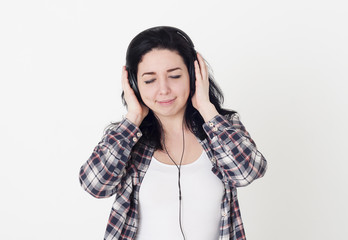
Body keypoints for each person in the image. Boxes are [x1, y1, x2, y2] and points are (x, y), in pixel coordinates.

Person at [79, 26, 267, 240]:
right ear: (134, 84)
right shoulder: (125, 139)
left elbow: (248, 173)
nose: (164, 89)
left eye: (175, 76)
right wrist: (133, 118)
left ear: (194, 76)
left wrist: (206, 108)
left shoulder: (222, 129)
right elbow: (94, 186)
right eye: (149, 80)